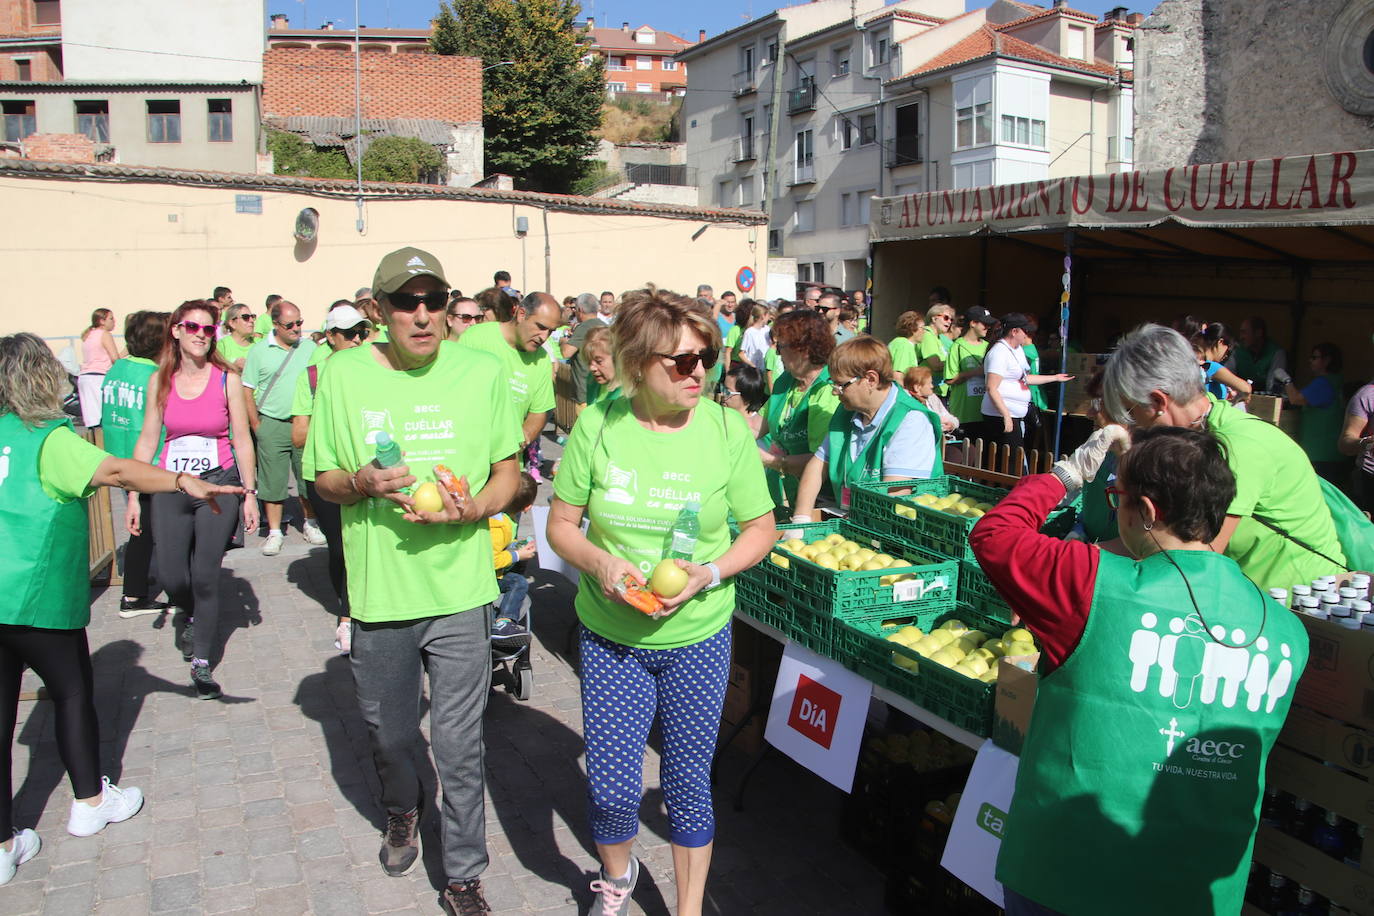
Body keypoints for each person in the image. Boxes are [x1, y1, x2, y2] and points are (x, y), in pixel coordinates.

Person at [970, 425, 1308, 916]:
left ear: (1146, 512)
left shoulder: (1088, 581)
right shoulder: (1288, 631)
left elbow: (994, 534)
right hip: (1197, 889)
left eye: (1116, 497)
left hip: (1067, 871)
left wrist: (1066, 475)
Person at [546, 288, 775, 916]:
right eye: (680, 362)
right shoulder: (599, 423)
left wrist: (708, 571)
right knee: (615, 790)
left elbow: (761, 528)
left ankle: (688, 909)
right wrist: (600, 562)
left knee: (687, 786)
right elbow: (560, 524)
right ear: (637, 362)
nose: (699, 371)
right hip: (613, 639)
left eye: (706, 357)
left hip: (698, 638)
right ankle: (617, 881)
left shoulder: (727, 429)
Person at [305, 247, 520, 914]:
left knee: (459, 746)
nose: (423, 315)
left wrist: (477, 506)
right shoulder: (341, 375)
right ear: (380, 310)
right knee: (393, 735)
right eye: (407, 302)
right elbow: (323, 479)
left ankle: (462, 876)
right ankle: (402, 808)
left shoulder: (482, 372)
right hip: (381, 594)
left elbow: (507, 472)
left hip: (460, 590)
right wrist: (361, 483)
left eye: (434, 300)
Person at [0, 333, 243, 884]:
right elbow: (116, 471)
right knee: (70, 693)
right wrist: (182, 480)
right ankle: (89, 801)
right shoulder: (50, 439)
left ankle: (4, 845)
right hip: (32, 598)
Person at [1103, 323, 1346, 590]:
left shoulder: (1236, 447)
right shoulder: (1194, 439)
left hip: (1295, 602)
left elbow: (1197, 559)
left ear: (1159, 402)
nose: (1132, 425)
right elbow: (1158, 540)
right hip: (1251, 594)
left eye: (1131, 411)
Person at [130, 301, 258, 699]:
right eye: (192, 327)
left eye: (208, 328)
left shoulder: (226, 380)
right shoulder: (160, 380)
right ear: (176, 331)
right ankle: (188, 611)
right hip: (173, 485)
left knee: (205, 575)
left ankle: (201, 663)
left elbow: (240, 438)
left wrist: (250, 494)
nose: (201, 334)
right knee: (172, 576)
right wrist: (134, 495)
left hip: (219, 486)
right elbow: (149, 438)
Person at [292, 305, 373, 655]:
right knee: (341, 547)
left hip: (367, 470)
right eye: (349, 333)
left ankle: (360, 611)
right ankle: (346, 615)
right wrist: (336, 428)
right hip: (325, 472)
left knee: (365, 540)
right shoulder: (312, 375)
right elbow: (299, 434)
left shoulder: (374, 366)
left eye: (362, 332)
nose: (357, 339)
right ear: (330, 336)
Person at [790, 335, 944, 519]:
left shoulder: (911, 420)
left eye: (841, 385)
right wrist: (801, 518)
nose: (834, 391)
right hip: (856, 520)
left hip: (900, 531)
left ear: (870, 379)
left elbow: (894, 492)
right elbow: (817, 466)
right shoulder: (847, 411)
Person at [99, 310, 172, 618]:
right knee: (148, 530)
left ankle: (137, 583)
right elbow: (160, 426)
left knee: (141, 525)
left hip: (118, 459)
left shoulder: (116, 369)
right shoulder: (152, 377)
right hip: (148, 463)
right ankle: (133, 595)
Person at [242, 300, 324, 556]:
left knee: (306, 477)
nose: (297, 328)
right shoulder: (258, 351)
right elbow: (247, 389)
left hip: (303, 423)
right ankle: (275, 532)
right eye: (290, 324)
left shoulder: (311, 348)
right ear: (275, 325)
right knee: (272, 481)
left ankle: (310, 523)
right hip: (272, 423)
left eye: (299, 322)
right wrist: (257, 424)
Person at [458, 291, 559, 473]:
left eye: (550, 332)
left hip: (506, 470)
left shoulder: (542, 360)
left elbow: (539, 413)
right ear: (521, 314)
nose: (544, 337)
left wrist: (518, 442)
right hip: (466, 461)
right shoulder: (475, 338)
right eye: (541, 327)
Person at [756, 309, 840, 512]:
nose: (776, 353)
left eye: (781, 346)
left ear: (803, 349)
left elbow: (820, 460)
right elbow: (758, 424)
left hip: (825, 499)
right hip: (795, 490)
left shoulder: (829, 388)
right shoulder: (787, 380)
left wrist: (770, 460)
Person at [980, 313, 1072, 453]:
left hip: (1015, 414)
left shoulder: (1017, 350)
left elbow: (1025, 378)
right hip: (999, 415)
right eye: (1025, 331)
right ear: (1014, 331)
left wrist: (1055, 377)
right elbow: (991, 388)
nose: (1027, 335)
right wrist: (1006, 415)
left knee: (1015, 457)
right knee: (1009, 460)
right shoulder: (999, 352)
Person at [1276, 343, 1348, 485]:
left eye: (1314, 357)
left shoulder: (1323, 383)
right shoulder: (1337, 381)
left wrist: (1286, 380)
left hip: (1320, 453)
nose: (1310, 361)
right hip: (1333, 452)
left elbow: (1296, 399)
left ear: (1327, 360)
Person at [489, 472, 539, 649]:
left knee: (520, 567)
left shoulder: (504, 518)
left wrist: (516, 546)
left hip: (494, 570)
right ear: (527, 507)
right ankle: (503, 622)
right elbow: (491, 560)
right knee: (518, 583)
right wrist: (518, 555)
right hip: (487, 575)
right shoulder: (498, 526)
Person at [944, 306, 993, 433]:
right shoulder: (957, 346)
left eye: (989, 324)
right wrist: (975, 372)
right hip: (964, 413)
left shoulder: (989, 347)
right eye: (984, 324)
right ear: (973, 323)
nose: (988, 327)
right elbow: (949, 379)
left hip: (986, 412)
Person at [562, 293, 606, 414]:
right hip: (601, 390)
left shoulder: (584, 327)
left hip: (585, 390)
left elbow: (566, 353)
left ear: (580, 310)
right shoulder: (605, 326)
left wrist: (563, 341)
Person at [77, 309, 119, 429]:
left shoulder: (89, 334)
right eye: (111, 318)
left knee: (92, 421)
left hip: (85, 378)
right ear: (102, 321)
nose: (114, 321)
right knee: (103, 419)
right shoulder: (104, 334)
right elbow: (115, 358)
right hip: (98, 378)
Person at [1191, 322, 1251, 403]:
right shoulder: (1210, 366)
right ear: (1220, 342)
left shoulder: (1195, 362)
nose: (1227, 356)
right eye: (1228, 350)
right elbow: (1246, 388)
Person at [1234, 316, 1288, 393]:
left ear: (1258, 333)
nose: (1241, 337)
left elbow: (1272, 386)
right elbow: (1227, 378)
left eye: (1244, 332)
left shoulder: (1276, 352)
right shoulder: (1237, 351)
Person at [901, 366, 958, 434]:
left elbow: (950, 417)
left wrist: (952, 424)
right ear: (917, 387)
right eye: (929, 383)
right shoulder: (906, 402)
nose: (932, 386)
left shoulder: (932, 398)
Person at [721, 364, 768, 438]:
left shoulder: (756, 430)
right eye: (722, 388)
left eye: (727, 392)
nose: (722, 394)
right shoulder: (721, 414)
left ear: (747, 397)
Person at [583, 326, 621, 405]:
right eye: (589, 362)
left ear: (617, 358)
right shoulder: (592, 381)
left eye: (598, 361)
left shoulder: (631, 396)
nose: (592, 368)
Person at [216, 303, 259, 371]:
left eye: (252, 316)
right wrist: (233, 367)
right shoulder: (222, 345)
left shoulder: (259, 343)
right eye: (246, 317)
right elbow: (216, 373)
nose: (251, 320)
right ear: (232, 323)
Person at [739, 303, 771, 371]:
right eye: (768, 315)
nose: (769, 318)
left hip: (765, 369)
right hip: (754, 370)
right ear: (763, 316)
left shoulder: (767, 329)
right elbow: (741, 354)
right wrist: (752, 365)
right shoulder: (749, 332)